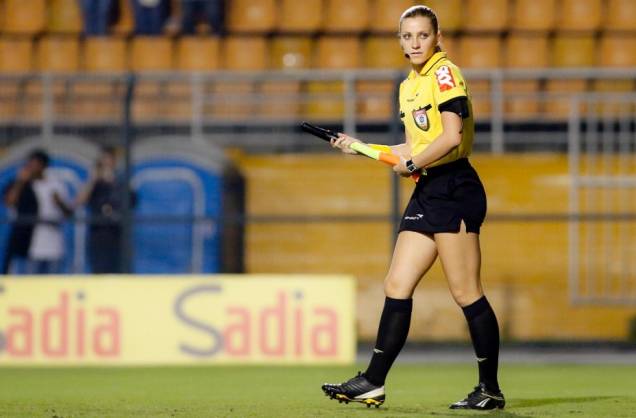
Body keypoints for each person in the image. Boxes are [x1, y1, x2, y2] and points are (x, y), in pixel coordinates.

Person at [321, 5, 505, 411]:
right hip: (428, 189)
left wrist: (412, 164)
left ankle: (489, 389)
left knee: (466, 292)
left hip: (455, 187)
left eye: (423, 35)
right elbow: (414, 148)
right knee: (397, 285)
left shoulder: (444, 72)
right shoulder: (409, 85)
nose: (415, 43)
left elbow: (452, 137)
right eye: (407, 36)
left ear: (437, 37)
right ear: (400, 40)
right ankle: (372, 381)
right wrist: (361, 147)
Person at [3, 149, 72, 274]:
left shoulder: (55, 185)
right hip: (29, 246)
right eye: (30, 164)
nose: (31, 168)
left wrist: (59, 202)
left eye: (35, 165)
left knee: (52, 286)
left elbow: (68, 213)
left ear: (43, 166)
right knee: (30, 285)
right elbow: (9, 202)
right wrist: (20, 182)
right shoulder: (23, 185)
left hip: (54, 246)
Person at [76, 147, 130, 273]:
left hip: (116, 233)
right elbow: (79, 201)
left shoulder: (120, 182)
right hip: (98, 234)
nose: (106, 164)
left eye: (109, 160)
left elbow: (130, 201)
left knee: (116, 271)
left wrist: (112, 181)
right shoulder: (94, 183)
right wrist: (93, 179)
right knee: (99, 270)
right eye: (103, 160)